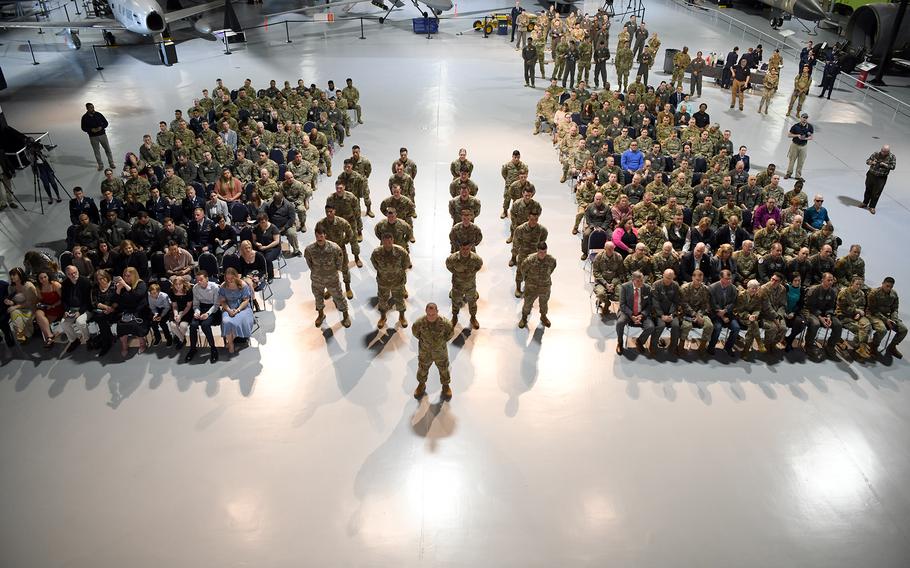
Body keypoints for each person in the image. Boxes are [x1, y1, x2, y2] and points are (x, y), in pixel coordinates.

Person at [411, 303, 455, 400]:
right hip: (425, 352)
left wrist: (440, 344)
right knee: (422, 369)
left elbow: (450, 334)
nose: (431, 316)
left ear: (437, 312)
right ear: (426, 312)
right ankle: (421, 385)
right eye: (429, 314)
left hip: (440, 352)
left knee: (444, 369)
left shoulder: (445, 324)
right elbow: (416, 333)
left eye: (433, 314)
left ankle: (445, 386)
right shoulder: (419, 323)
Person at [371, 233, 411, 329]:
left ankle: (402, 317)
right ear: (382, 242)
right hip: (383, 282)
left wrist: (398, 272)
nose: (387, 244)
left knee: (399, 299)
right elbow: (374, 264)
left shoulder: (400, 251)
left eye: (389, 242)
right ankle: (383, 317)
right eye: (385, 242)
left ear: (392, 241)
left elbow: (406, 263)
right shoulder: (376, 252)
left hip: (397, 281)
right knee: (382, 300)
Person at [802, 272, 842, 358]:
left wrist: (828, 317)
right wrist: (820, 317)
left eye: (832, 280)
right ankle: (808, 346)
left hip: (824, 313)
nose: (831, 282)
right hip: (810, 311)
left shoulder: (832, 292)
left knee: (838, 324)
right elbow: (809, 306)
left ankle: (830, 346)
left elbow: (831, 306)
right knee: (815, 324)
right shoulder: (814, 290)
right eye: (828, 280)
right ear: (822, 280)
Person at [185, 270, 221, 364]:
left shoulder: (214, 287)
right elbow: (196, 304)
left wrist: (207, 314)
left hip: (213, 310)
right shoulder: (195, 288)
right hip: (201, 308)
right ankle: (193, 348)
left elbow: (216, 305)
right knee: (193, 325)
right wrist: (197, 312)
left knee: (205, 325)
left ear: (207, 279)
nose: (199, 281)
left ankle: (213, 349)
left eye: (201, 279)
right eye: (197, 280)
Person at [518, 241, 556, 328]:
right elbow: (523, 270)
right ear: (537, 251)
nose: (543, 254)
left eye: (545, 252)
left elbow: (552, 270)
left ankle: (543, 317)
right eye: (540, 252)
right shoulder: (529, 260)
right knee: (527, 304)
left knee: (544, 304)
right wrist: (528, 280)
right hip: (531, 287)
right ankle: (524, 318)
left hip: (545, 286)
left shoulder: (551, 260)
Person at [114, 267, 150, 357]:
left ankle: (142, 343)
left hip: (139, 309)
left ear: (134, 275)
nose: (126, 278)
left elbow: (137, 296)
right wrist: (118, 289)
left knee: (134, 324)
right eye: (125, 276)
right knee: (121, 325)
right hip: (126, 310)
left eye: (128, 276)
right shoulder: (121, 285)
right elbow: (116, 301)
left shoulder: (141, 284)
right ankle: (124, 345)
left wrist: (126, 286)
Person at [446, 242, 483, 329]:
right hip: (457, 286)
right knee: (455, 301)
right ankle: (454, 317)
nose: (465, 251)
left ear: (470, 248)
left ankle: (473, 318)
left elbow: (479, 265)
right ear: (460, 247)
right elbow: (448, 265)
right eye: (463, 249)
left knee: (472, 302)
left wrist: (473, 273)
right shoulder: (453, 258)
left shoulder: (475, 258)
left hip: (470, 286)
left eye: (467, 249)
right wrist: (455, 273)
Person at [867, 277, 906, 359]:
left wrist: (893, 319)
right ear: (882, 283)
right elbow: (873, 309)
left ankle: (892, 347)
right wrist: (886, 320)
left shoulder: (894, 294)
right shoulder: (874, 293)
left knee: (903, 329)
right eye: (887, 286)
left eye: (891, 287)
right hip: (874, 315)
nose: (889, 288)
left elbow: (895, 309)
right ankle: (873, 346)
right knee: (882, 329)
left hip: (889, 316)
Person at [616, 270, 654, 355]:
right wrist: (631, 315)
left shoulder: (647, 288)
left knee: (651, 327)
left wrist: (642, 315)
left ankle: (639, 341)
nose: (641, 283)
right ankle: (620, 342)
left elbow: (649, 305)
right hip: (627, 312)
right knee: (620, 323)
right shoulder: (624, 287)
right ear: (633, 280)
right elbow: (622, 304)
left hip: (642, 313)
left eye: (642, 280)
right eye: (638, 281)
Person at [218, 267, 254, 354]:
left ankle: (230, 342)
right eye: (227, 278)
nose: (229, 280)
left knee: (235, 322)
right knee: (226, 321)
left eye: (231, 278)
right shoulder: (223, 286)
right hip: (228, 307)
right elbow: (222, 302)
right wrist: (229, 310)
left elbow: (246, 300)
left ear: (236, 276)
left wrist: (237, 310)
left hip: (242, 308)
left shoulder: (243, 285)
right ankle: (231, 343)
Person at [837, 276, 873, 359]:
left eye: (860, 284)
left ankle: (860, 347)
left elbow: (862, 305)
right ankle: (857, 348)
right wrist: (856, 311)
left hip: (856, 315)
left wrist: (859, 314)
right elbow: (843, 308)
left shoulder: (861, 294)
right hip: (843, 316)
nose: (859, 286)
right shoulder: (844, 292)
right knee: (860, 329)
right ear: (851, 284)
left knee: (868, 326)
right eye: (857, 284)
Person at [60, 265, 92, 353]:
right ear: (67, 275)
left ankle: (87, 339)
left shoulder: (85, 281)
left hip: (85, 308)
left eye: (75, 273)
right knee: (64, 323)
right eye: (70, 274)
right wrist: (66, 311)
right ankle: (74, 340)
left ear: (78, 271)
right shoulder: (65, 283)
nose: (73, 275)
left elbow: (88, 300)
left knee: (80, 322)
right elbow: (64, 300)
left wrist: (80, 312)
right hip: (72, 309)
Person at [651, 268, 681, 355]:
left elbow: (676, 301)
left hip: (671, 313)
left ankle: (673, 346)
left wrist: (671, 314)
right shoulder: (656, 285)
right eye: (667, 278)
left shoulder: (675, 285)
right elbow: (655, 302)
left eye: (671, 278)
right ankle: (652, 346)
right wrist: (661, 315)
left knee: (676, 326)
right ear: (663, 276)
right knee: (661, 325)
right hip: (658, 313)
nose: (669, 280)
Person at [861, 145, 896, 214]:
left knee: (876, 193)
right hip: (871, 175)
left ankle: (872, 207)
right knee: (868, 189)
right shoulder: (876, 154)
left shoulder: (892, 157)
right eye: (882, 151)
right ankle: (865, 203)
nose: (882, 152)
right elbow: (867, 161)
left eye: (885, 152)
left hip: (881, 178)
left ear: (888, 152)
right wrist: (872, 162)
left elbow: (893, 166)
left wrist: (885, 165)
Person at [81, 103, 116, 171]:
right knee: (96, 151)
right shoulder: (84, 117)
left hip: (102, 135)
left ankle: (111, 163)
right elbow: (83, 128)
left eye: (93, 107)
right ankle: (100, 165)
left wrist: (101, 127)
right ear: (87, 108)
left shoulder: (98, 114)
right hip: (93, 137)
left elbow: (106, 123)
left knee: (108, 150)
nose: (92, 109)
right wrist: (91, 130)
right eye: (90, 108)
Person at [34, 271, 64, 348]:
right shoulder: (38, 288)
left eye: (45, 277)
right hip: (46, 306)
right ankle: (50, 336)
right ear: (38, 279)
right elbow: (40, 299)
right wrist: (39, 304)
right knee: (38, 314)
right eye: (41, 278)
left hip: (57, 306)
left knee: (42, 322)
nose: (43, 279)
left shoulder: (55, 285)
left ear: (48, 277)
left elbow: (63, 299)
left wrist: (53, 305)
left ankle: (49, 339)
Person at [167, 275, 193, 350]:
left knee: (183, 326)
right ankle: (182, 339)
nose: (178, 286)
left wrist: (180, 316)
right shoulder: (172, 291)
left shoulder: (189, 291)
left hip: (187, 310)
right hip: (177, 310)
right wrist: (176, 314)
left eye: (179, 284)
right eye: (176, 284)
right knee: (173, 325)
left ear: (183, 284)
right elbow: (174, 306)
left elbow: (188, 306)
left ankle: (179, 337)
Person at [147, 282, 173, 347]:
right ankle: (158, 338)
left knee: (163, 323)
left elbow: (167, 307)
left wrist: (161, 316)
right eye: (151, 293)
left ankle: (169, 338)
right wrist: (155, 314)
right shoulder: (149, 296)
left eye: (154, 293)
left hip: (167, 309)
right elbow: (152, 308)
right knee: (153, 323)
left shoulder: (164, 296)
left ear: (158, 292)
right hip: (157, 309)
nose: (152, 295)